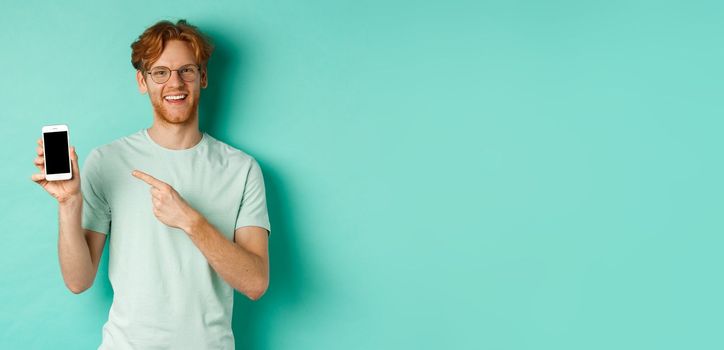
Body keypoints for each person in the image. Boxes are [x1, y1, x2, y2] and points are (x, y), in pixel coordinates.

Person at [30, 19, 271, 349]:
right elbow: (78, 280)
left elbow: (255, 282)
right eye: (160, 72)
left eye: (186, 70)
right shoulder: (108, 160)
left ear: (202, 77)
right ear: (142, 81)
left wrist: (190, 220)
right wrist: (69, 204)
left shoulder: (241, 169)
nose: (175, 83)